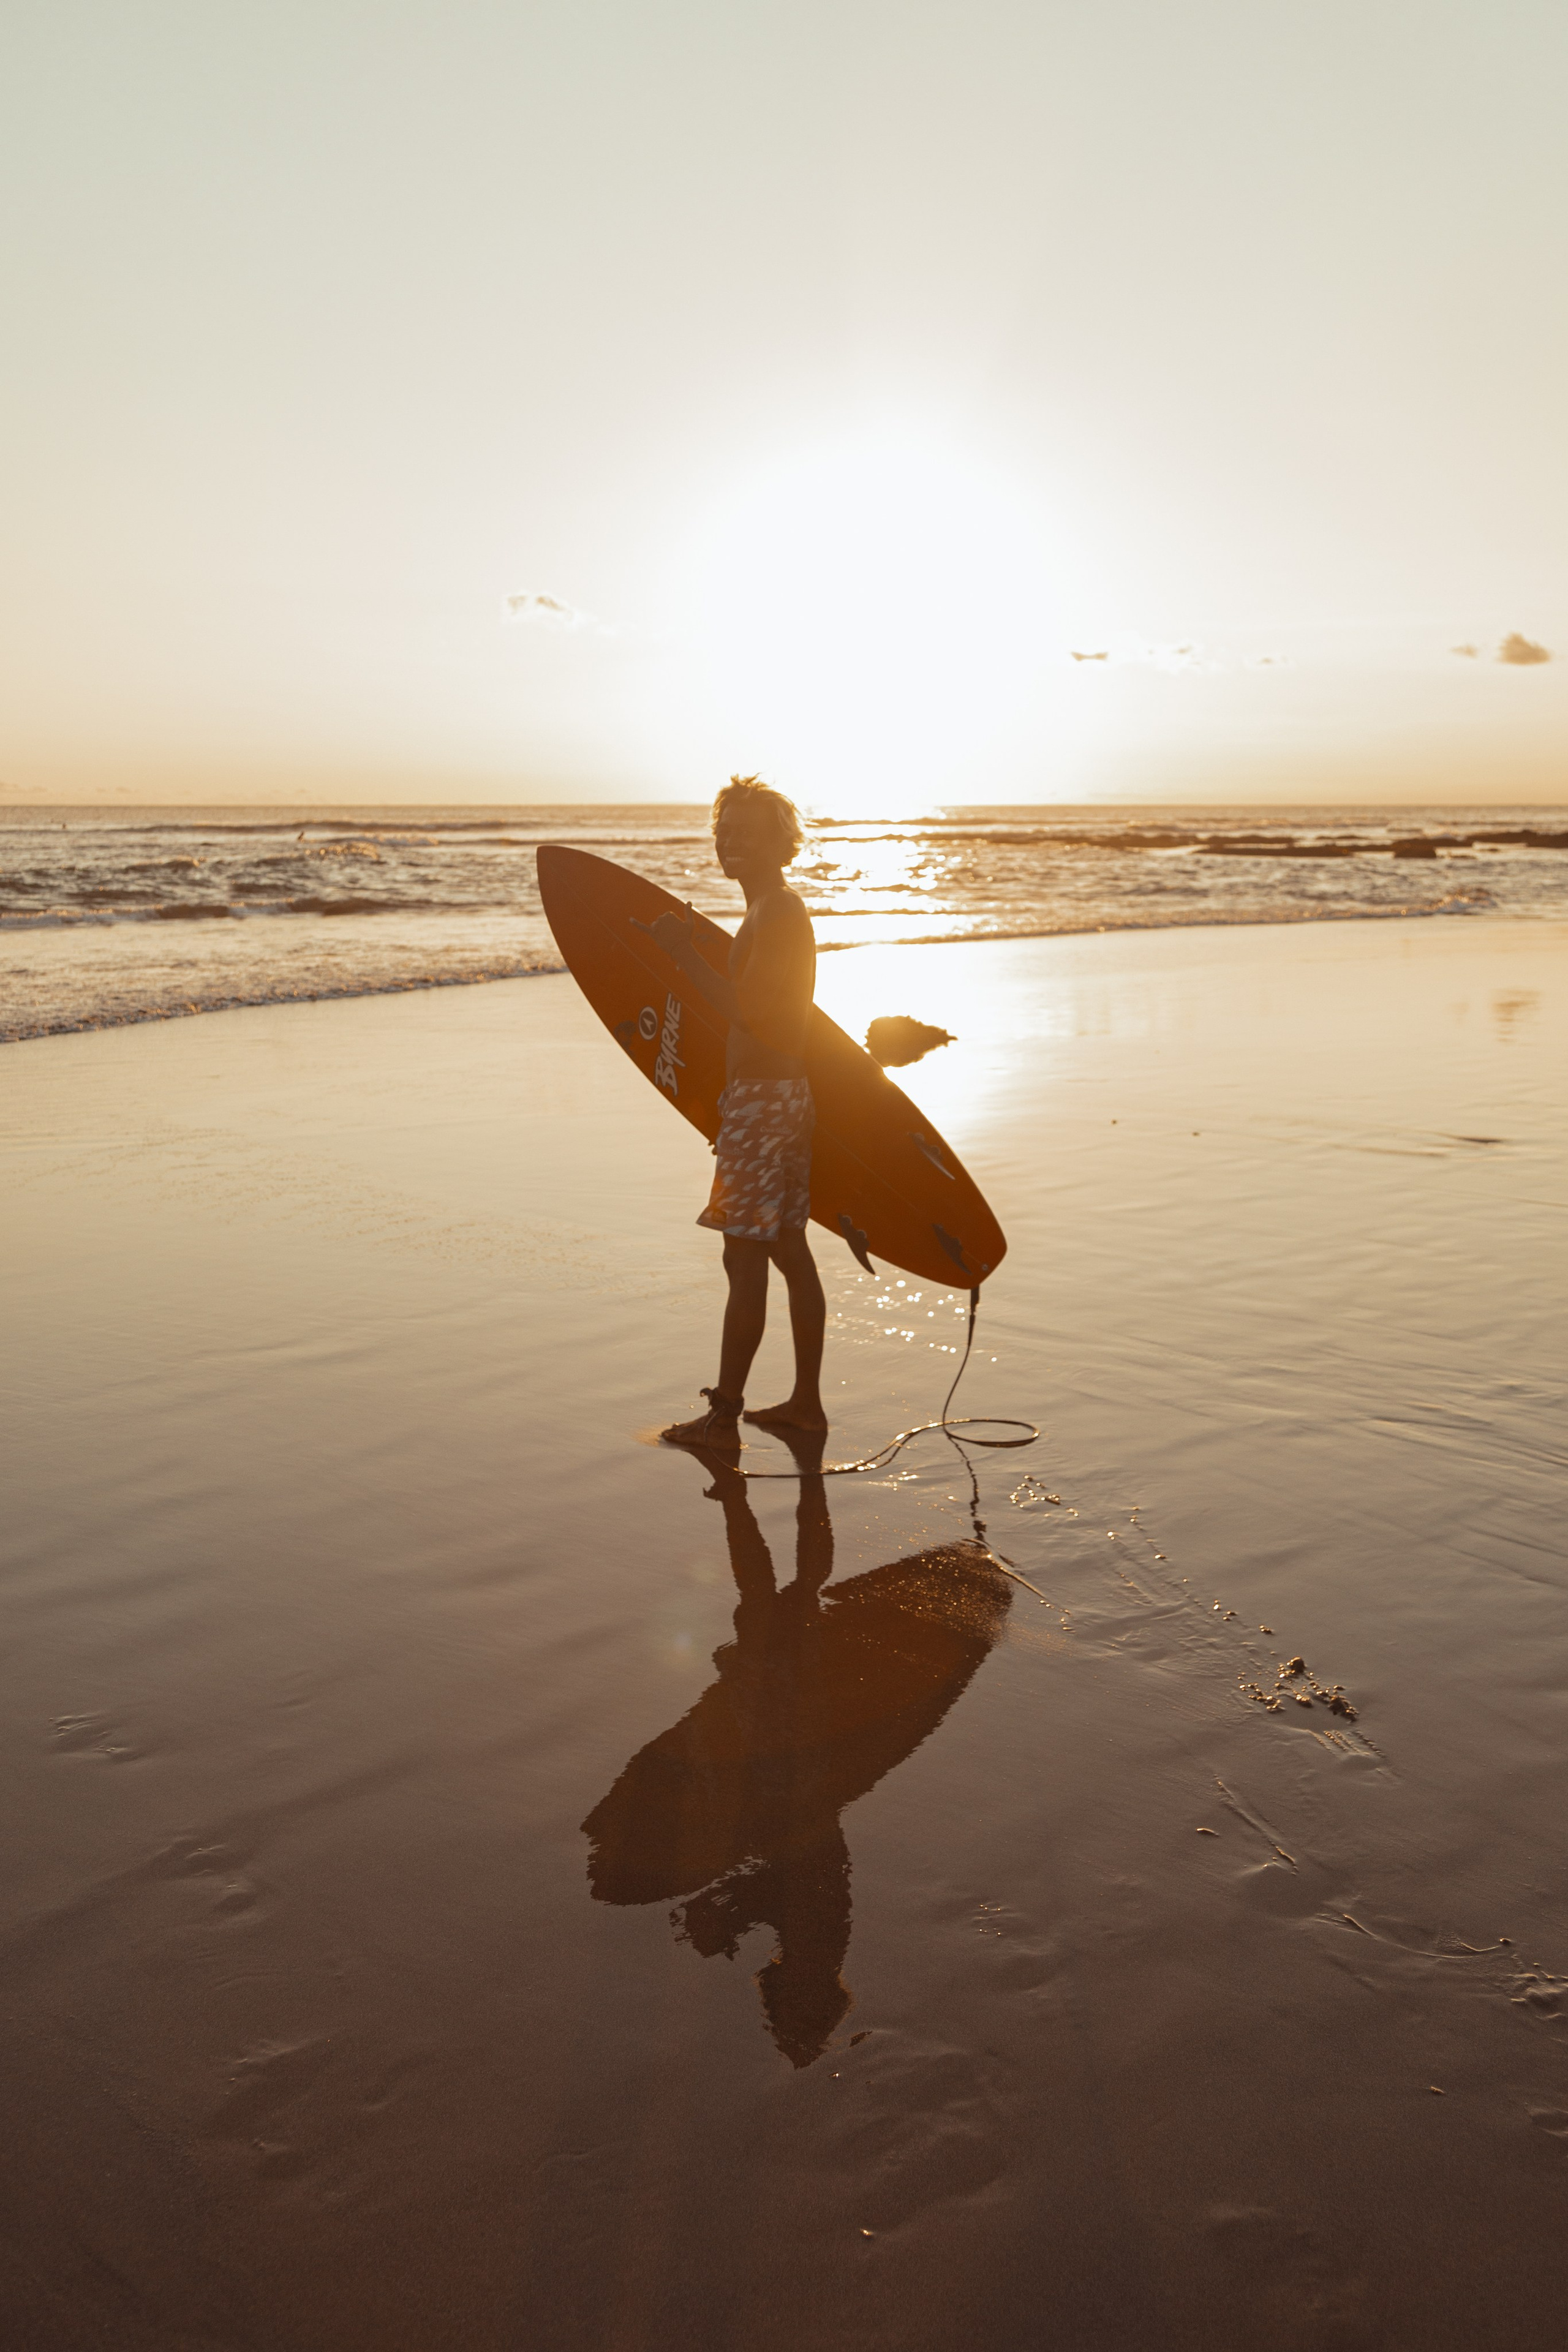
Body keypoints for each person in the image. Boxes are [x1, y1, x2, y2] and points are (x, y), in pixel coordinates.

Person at [633, 775, 826, 1450]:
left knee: (744, 1260)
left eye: (746, 832)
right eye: (723, 831)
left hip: (765, 1103)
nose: (730, 842)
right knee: (788, 1251)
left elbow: (750, 1012)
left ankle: (723, 1421)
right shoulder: (771, 910)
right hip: (780, 1098)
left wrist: (682, 953)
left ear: (781, 841)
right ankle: (805, 1405)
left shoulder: (777, 912)